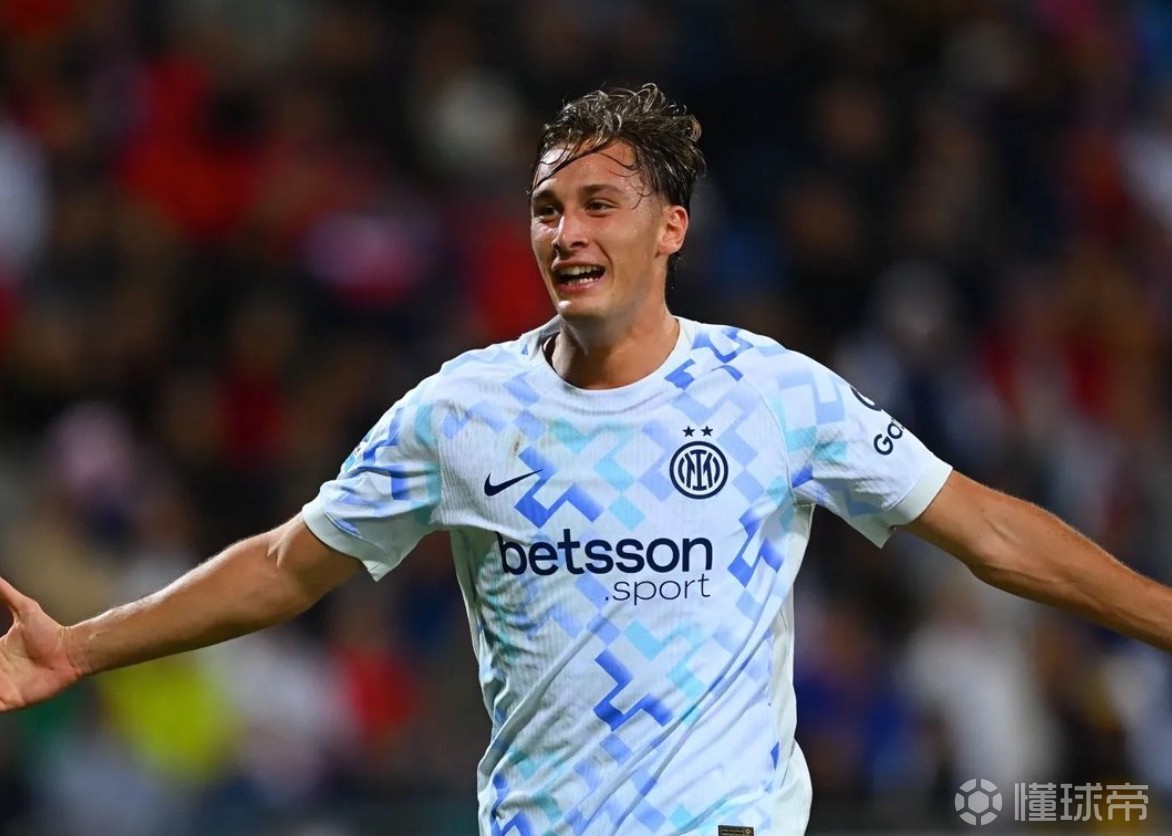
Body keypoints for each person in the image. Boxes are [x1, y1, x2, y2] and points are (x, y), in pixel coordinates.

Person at [1, 83, 1170, 836]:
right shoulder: (459, 411)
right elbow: (282, 565)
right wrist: (81, 644)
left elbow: (989, 531)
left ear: (670, 226)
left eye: (599, 203)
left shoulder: (773, 395)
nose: (565, 232)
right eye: (546, 207)